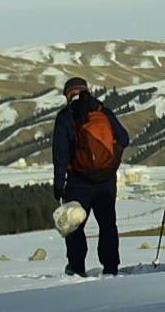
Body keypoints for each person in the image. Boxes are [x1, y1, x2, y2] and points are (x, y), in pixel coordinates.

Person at [50, 75, 130, 276]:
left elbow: (60, 154)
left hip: (78, 181)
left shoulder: (66, 116)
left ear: (68, 95)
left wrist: (59, 184)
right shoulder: (102, 111)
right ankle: (111, 267)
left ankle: (77, 268)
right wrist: (109, 161)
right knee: (107, 224)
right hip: (106, 179)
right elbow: (124, 138)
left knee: (74, 226)